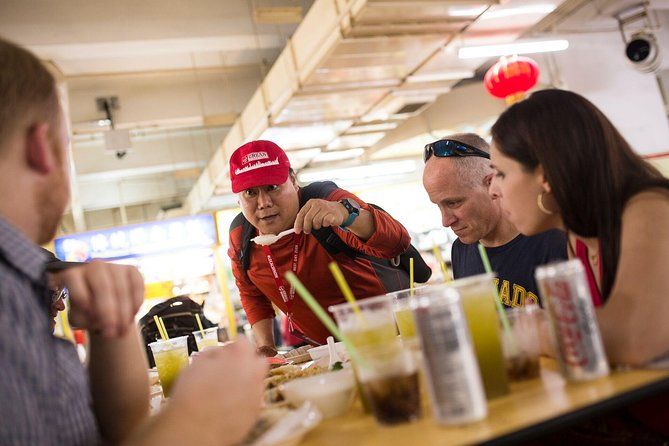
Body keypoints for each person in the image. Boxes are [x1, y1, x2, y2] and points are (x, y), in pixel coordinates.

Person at [0, 38, 266, 446]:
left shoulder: (24, 277)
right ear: (43, 147)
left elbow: (112, 434)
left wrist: (113, 329)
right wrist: (199, 420)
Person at [489, 88, 669, 439]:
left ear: (545, 176)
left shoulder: (650, 207)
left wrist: (528, 329)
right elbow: (590, 346)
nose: (494, 190)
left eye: (501, 173)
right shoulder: (577, 236)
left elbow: (633, 338)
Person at [228, 140, 423, 356]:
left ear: (293, 181)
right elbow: (251, 294)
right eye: (250, 193)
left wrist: (346, 214)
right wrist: (266, 349)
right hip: (326, 354)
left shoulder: (326, 201)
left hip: (392, 340)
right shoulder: (240, 236)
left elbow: (397, 241)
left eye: (272, 187)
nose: (263, 203)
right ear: (238, 200)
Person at [422, 133, 566, 307]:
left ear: (491, 184)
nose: (445, 221)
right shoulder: (461, 250)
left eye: (453, 202)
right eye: (438, 205)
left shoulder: (552, 241)